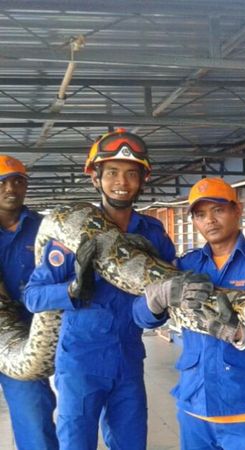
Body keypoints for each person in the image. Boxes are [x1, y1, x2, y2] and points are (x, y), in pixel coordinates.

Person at [25, 130, 176, 450]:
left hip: (129, 360)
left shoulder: (153, 233)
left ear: (142, 180)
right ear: (96, 179)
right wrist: (71, 291)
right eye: (112, 173)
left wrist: (156, 309)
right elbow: (33, 296)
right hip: (80, 363)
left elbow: (162, 304)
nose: (122, 181)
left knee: (131, 443)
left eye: (131, 173)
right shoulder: (71, 232)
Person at [132, 177, 245, 450]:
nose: (210, 220)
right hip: (194, 404)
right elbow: (140, 317)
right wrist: (154, 301)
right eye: (201, 214)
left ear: (237, 211)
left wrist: (244, 335)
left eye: (218, 210)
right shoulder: (185, 265)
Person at [0, 155, 58, 450]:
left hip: (31, 335)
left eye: (18, 181)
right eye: (2, 182)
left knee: (34, 416)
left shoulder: (46, 228)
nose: (10, 188)